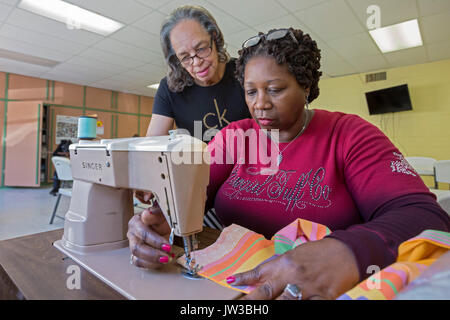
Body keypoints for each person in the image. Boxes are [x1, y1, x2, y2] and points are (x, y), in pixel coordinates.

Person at [127, 27, 450, 299]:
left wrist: (350, 250)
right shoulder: (234, 136)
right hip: (227, 284)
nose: (260, 104)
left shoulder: (350, 134)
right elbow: (192, 195)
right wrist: (163, 221)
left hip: (315, 286)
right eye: (250, 92)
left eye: (275, 89)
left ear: (306, 87)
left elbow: (424, 217)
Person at [134, 5, 251, 229]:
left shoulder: (244, 72)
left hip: (249, 185)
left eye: (202, 49)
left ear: (215, 39)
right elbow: (151, 147)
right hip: (202, 188)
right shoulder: (169, 89)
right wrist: (145, 178)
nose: (196, 63)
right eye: (185, 57)